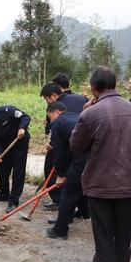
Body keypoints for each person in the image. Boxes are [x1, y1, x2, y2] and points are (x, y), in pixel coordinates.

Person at [70, 66, 131, 262]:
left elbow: (76, 147)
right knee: (122, 232)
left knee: (104, 235)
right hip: (128, 186)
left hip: (100, 186)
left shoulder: (90, 114)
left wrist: (83, 115)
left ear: (94, 87)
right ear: (115, 84)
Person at [40, 82, 88, 210]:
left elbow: (57, 131)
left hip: (67, 145)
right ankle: (83, 209)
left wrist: (61, 174)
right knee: (80, 178)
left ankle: (59, 202)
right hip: (85, 144)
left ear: (53, 96)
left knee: (57, 168)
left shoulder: (57, 109)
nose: (47, 102)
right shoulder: (81, 98)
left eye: (46, 99)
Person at [44, 102, 88, 240]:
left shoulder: (58, 123)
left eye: (49, 116)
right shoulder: (76, 116)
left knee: (68, 193)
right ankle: (83, 212)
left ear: (56, 112)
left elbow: (61, 152)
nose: (50, 120)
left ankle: (60, 229)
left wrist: (61, 173)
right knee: (80, 187)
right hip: (94, 157)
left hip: (81, 158)